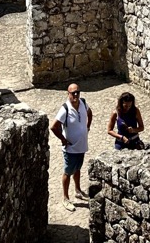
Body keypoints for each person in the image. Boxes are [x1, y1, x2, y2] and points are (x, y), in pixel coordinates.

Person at [50, 83, 93, 211]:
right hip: (71, 148)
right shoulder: (65, 109)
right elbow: (54, 127)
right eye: (73, 93)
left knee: (78, 168)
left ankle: (78, 190)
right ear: (68, 94)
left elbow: (90, 113)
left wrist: (87, 126)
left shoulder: (83, 103)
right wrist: (63, 139)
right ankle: (65, 198)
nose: (75, 95)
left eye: (77, 92)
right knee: (67, 172)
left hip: (81, 145)